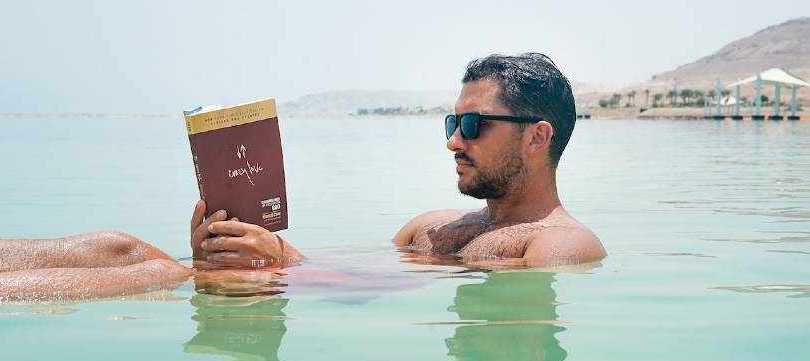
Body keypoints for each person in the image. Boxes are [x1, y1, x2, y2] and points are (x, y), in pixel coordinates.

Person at [195, 53, 605, 268]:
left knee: (131, 254)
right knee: (135, 256)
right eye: (453, 123)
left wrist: (280, 258)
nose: (454, 142)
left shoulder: (562, 244)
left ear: (537, 137)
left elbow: (379, 290)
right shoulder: (427, 227)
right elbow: (355, 271)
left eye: (473, 124)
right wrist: (226, 250)